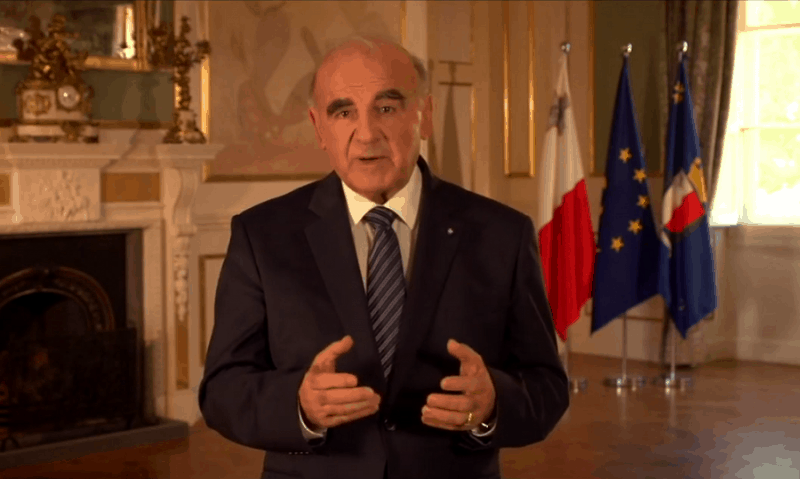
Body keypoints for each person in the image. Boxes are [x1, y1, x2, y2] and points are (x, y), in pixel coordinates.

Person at [198, 35, 569, 479]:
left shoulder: (502, 234)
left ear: (425, 115)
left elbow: (547, 387)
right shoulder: (261, 236)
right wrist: (299, 405)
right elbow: (222, 390)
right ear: (318, 127)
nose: (367, 133)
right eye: (343, 113)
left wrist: (492, 406)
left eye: (387, 108)